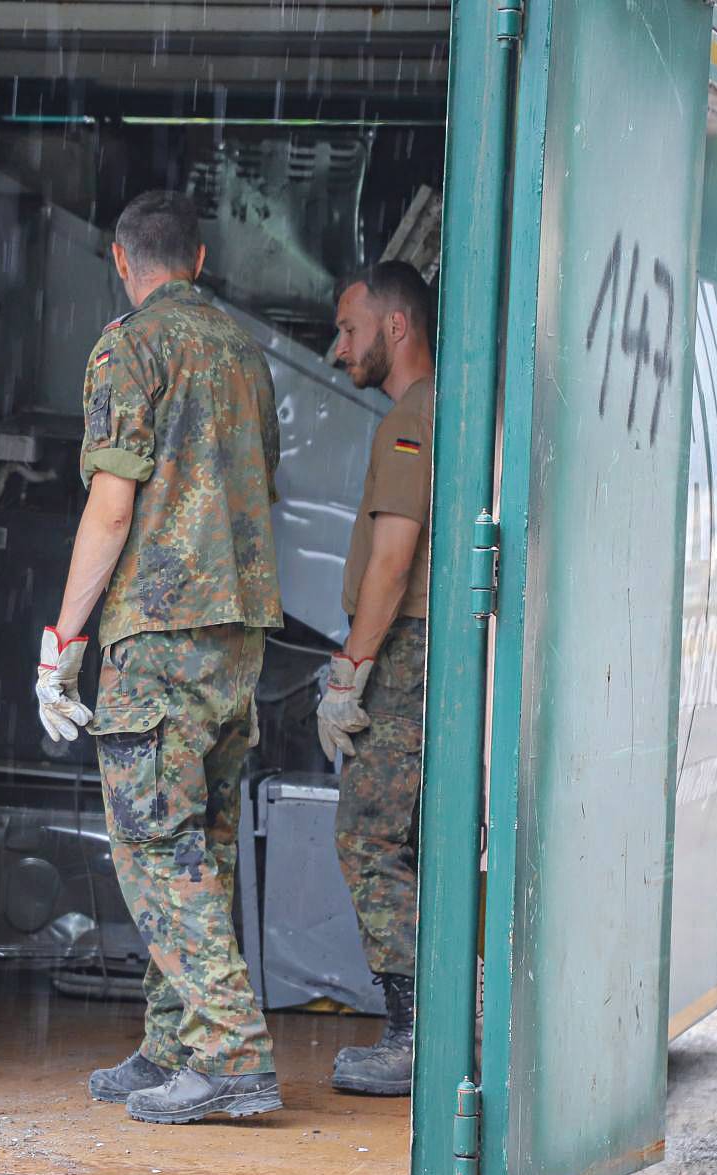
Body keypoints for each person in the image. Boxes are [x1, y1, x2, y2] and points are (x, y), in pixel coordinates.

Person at [33, 190, 285, 1124]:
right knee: (202, 845)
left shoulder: (127, 347)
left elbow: (111, 504)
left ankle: (231, 1055)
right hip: (238, 631)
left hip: (161, 634)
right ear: (203, 257)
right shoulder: (244, 353)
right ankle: (170, 1042)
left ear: (118, 255)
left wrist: (62, 640)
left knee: (150, 845)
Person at [317, 260, 437, 1098]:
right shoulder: (441, 410)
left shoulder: (411, 418)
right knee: (413, 839)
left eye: (350, 329)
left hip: (403, 654)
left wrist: (352, 672)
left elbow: (392, 564)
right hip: (423, 652)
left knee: (367, 834)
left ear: (396, 327)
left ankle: (413, 1033)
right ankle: (434, 1020)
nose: (336, 349)